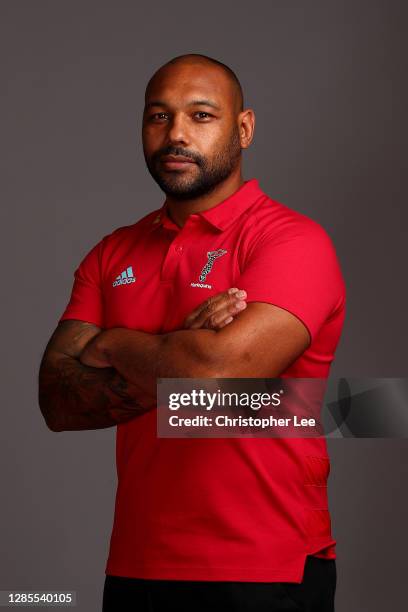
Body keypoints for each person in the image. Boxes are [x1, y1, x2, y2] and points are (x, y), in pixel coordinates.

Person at [38, 53, 346, 611]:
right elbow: (56, 401)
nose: (176, 134)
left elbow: (219, 372)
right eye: (159, 117)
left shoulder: (292, 240)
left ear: (244, 128)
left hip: (265, 562)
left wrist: (112, 344)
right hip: (138, 561)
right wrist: (176, 351)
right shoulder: (113, 252)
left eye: (201, 115)